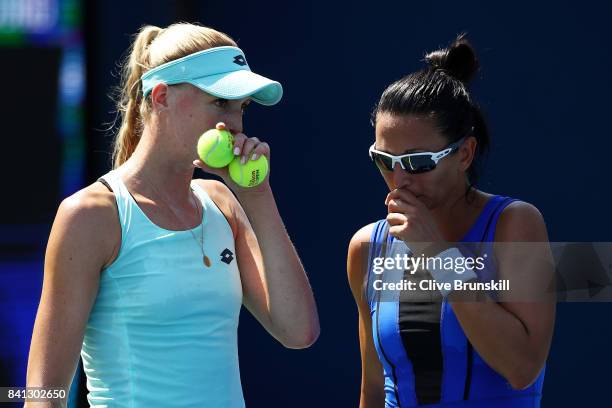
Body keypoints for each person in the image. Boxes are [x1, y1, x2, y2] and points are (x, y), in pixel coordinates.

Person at [26, 22, 319, 407]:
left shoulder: (223, 203)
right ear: (161, 96)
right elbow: (41, 392)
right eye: (219, 102)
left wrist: (257, 196)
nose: (233, 124)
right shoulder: (91, 214)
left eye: (241, 107)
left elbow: (299, 331)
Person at [347, 35, 555, 407]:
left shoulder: (516, 224)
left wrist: (436, 253)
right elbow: (374, 390)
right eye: (384, 160)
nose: (400, 179)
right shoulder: (367, 247)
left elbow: (522, 367)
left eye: (418, 162)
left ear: (464, 154)